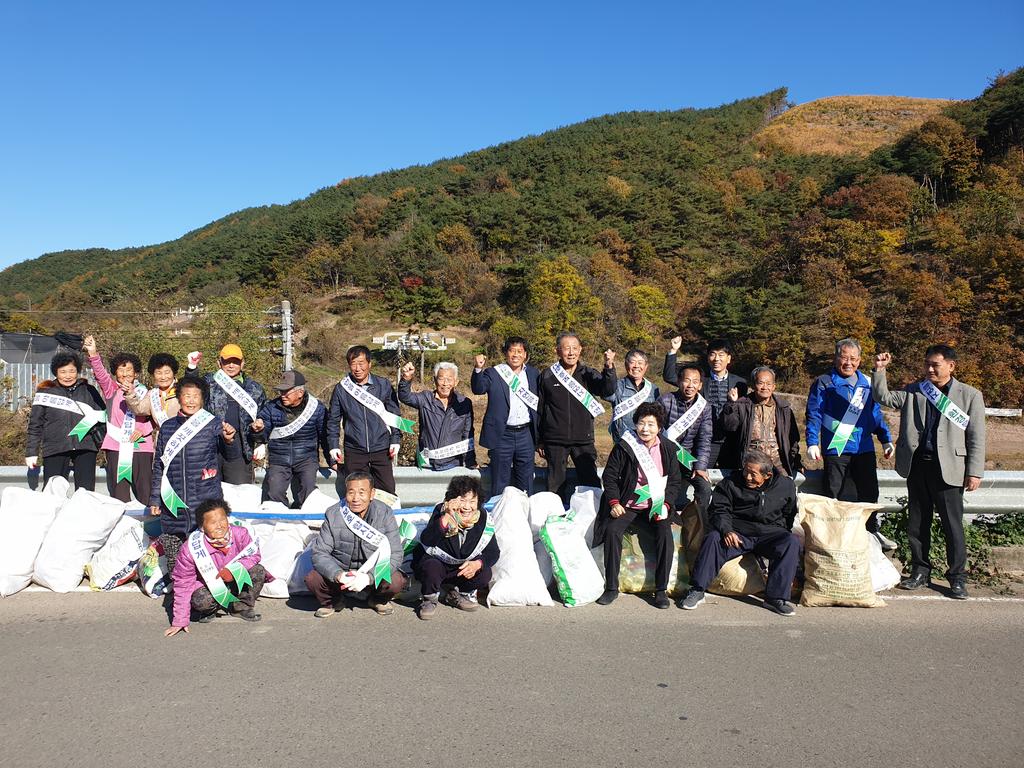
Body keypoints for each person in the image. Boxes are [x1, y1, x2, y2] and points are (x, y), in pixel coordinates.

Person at [872, 346, 986, 599]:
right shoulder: (915, 391)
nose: (930, 369)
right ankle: (920, 572)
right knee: (917, 523)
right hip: (918, 466)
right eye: (927, 364)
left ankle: (957, 578)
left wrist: (975, 471)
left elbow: (976, 436)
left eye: (935, 365)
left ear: (951, 366)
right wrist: (880, 369)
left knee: (952, 526)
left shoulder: (969, 395)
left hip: (950, 468)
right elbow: (883, 397)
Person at [678, 450, 801, 616]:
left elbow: (789, 513)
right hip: (738, 533)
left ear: (767, 475)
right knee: (714, 538)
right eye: (745, 471)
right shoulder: (730, 483)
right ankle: (697, 589)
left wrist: (778, 531)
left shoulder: (785, 486)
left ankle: (775, 598)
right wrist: (727, 530)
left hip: (768, 533)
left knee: (790, 541)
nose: (747, 477)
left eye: (753, 474)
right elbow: (719, 510)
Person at [806, 338, 896, 549]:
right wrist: (812, 442)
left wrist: (885, 439)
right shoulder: (824, 382)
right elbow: (814, 413)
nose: (848, 362)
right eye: (844, 357)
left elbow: (874, 414)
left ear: (860, 360)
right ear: (836, 357)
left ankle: (871, 533)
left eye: (853, 358)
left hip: (863, 448)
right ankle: (833, 536)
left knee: (869, 492)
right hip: (836, 447)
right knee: (833, 493)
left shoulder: (866, 382)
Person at [593, 402, 682, 609]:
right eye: (641, 423)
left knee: (664, 535)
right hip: (629, 503)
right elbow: (610, 477)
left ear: (659, 428)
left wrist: (667, 505)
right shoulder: (625, 446)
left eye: (651, 424)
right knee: (613, 531)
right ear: (635, 424)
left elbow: (675, 481)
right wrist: (614, 502)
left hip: (656, 504)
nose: (645, 429)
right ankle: (611, 588)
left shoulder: (668, 448)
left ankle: (660, 590)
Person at [150, 375, 235, 579]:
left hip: (205, 496)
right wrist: (154, 498)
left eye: (195, 396)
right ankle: (179, 588)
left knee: (208, 547)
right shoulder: (168, 427)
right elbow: (159, 465)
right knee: (175, 550)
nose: (190, 400)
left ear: (202, 399)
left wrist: (229, 440)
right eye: (186, 395)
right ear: (179, 397)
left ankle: (207, 589)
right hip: (173, 497)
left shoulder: (212, 423)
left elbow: (229, 456)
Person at [305, 471, 406, 617]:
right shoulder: (334, 513)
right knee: (313, 579)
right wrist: (338, 574)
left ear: (372, 494)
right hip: (342, 571)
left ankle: (377, 599)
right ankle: (333, 601)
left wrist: (369, 577)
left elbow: (396, 554)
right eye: (351, 492)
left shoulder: (384, 513)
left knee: (396, 581)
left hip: (371, 572)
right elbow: (319, 552)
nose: (356, 498)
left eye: (362, 492)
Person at [164, 499, 266, 635]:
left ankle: (241, 606)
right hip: (209, 585)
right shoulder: (190, 548)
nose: (219, 526)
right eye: (213, 522)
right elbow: (183, 582)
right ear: (202, 526)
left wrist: (235, 569)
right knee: (200, 601)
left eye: (223, 520)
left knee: (257, 571)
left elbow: (254, 556)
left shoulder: (240, 533)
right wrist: (179, 621)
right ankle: (211, 610)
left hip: (234, 581)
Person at [536, 332, 617, 503]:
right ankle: (554, 521)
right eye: (566, 348)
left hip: (583, 439)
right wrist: (540, 440)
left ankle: (594, 520)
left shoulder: (588, 373)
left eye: (575, 348)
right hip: (555, 439)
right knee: (555, 485)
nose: (571, 352)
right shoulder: (547, 375)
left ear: (580, 350)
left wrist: (609, 367)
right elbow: (540, 409)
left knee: (590, 482)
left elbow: (607, 390)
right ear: (558, 351)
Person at [413, 475, 499, 619]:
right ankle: (429, 599)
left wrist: (478, 564)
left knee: (485, 573)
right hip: (439, 565)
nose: (467, 507)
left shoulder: (483, 517)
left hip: (461, 569)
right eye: (462, 500)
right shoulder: (442, 511)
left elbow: (493, 552)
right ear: (452, 500)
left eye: (472, 501)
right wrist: (447, 517)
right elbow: (427, 539)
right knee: (431, 566)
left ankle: (457, 594)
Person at [83, 335, 154, 505]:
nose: (125, 373)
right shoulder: (111, 390)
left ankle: (149, 529)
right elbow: (100, 373)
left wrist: (142, 431)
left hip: (142, 446)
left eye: (129, 370)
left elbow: (155, 418)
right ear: (115, 373)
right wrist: (93, 352)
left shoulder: (147, 392)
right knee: (119, 493)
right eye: (121, 370)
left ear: (136, 373)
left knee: (145, 492)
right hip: (116, 445)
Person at [327, 345, 407, 496]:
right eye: (353, 364)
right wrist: (333, 445)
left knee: (387, 491)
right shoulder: (341, 389)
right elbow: (333, 420)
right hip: (354, 449)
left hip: (381, 448)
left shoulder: (383, 385)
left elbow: (394, 414)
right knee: (356, 493)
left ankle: (384, 519)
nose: (357, 368)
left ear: (369, 364)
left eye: (361, 363)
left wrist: (395, 439)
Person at [26, 351, 105, 491]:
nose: (68, 376)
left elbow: (103, 417)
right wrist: (32, 452)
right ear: (56, 372)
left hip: (85, 447)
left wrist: (104, 446)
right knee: (53, 492)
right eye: (63, 372)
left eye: (71, 371)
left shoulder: (89, 390)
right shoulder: (46, 392)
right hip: (55, 447)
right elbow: (35, 425)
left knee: (86, 493)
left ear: (78, 371)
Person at [188, 344, 267, 484]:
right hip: (211, 447)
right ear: (219, 363)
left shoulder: (255, 389)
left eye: (235, 362)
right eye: (226, 361)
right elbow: (190, 388)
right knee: (209, 496)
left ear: (242, 364)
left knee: (239, 496)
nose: (231, 365)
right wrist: (192, 368)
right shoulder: (209, 382)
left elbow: (263, 418)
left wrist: (261, 441)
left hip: (241, 449)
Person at [471, 336, 540, 497]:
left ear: (525, 355)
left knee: (526, 481)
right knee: (499, 482)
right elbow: (478, 388)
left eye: (519, 351)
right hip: (501, 434)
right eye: (512, 351)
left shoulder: (533, 373)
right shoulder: (494, 372)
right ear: (506, 353)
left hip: (526, 434)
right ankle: (498, 517)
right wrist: (478, 369)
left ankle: (524, 516)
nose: (515, 355)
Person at [663, 337, 747, 468]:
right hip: (706, 440)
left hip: (731, 440)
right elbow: (670, 377)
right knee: (701, 474)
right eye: (713, 354)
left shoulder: (740, 383)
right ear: (708, 357)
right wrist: (673, 350)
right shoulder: (700, 380)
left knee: (732, 476)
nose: (716, 359)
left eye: (721, 355)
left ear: (729, 358)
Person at [256, 370, 330, 507]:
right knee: (274, 491)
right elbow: (262, 435)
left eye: (286, 392)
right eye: (281, 391)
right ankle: (280, 521)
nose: (282, 395)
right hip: (279, 459)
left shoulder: (317, 408)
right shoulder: (271, 408)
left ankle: (307, 522)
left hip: (306, 458)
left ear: (300, 393)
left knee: (308, 490)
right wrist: (258, 430)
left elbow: (325, 435)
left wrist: (331, 460)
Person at [657, 364, 713, 529]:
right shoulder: (666, 400)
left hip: (687, 457)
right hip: (664, 455)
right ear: (679, 382)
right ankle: (667, 517)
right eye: (686, 381)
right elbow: (655, 430)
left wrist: (701, 466)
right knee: (665, 487)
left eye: (695, 382)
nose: (690, 385)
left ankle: (697, 520)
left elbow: (705, 438)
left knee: (704, 487)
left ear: (700, 385)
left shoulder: (704, 407)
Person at [721, 366, 801, 476]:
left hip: (777, 461)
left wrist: (796, 461)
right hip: (751, 461)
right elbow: (729, 427)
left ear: (774, 386)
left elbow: (793, 439)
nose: (765, 387)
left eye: (769, 384)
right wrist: (731, 404)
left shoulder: (783, 408)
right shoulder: (742, 405)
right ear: (753, 385)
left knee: (784, 486)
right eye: (761, 383)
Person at [399, 361, 476, 471]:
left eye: (449, 379)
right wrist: (406, 378)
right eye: (441, 379)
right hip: (427, 463)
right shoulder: (425, 399)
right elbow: (405, 397)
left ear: (456, 382)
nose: (445, 383)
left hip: (453, 463)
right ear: (435, 380)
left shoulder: (464, 403)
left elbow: (468, 434)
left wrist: (470, 462)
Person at [605, 349, 660, 443]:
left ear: (646, 366)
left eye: (640, 362)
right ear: (626, 365)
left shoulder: (653, 389)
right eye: (632, 362)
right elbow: (607, 394)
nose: (636, 366)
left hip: (646, 439)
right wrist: (609, 367)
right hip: (623, 439)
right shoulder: (617, 386)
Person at [126, 352, 181, 428]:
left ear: (174, 373)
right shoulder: (152, 394)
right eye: (159, 373)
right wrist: (130, 394)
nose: (163, 377)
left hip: (183, 436)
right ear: (153, 375)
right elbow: (139, 409)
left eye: (167, 372)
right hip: (162, 437)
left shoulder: (182, 390)